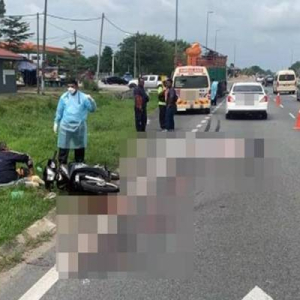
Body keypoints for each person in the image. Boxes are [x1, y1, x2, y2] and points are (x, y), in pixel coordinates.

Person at [54, 79, 97, 165]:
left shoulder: (84, 97)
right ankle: (62, 166)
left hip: (79, 126)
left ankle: (79, 165)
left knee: (79, 146)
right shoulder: (64, 97)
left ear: (77, 86)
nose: (70, 88)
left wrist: (92, 101)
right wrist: (56, 122)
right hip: (65, 125)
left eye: (72, 86)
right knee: (63, 146)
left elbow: (92, 109)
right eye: (68, 86)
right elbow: (59, 111)